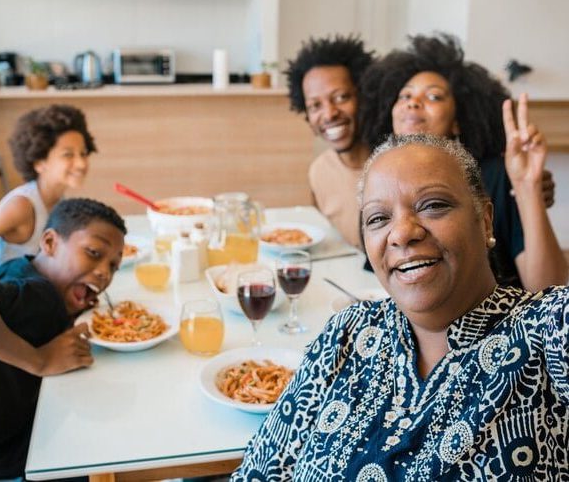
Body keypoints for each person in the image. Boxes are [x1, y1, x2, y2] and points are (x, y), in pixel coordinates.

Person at [231, 134, 568, 481]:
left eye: (433, 205)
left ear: (484, 221)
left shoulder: (545, 330)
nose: (402, 233)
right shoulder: (349, 332)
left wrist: (528, 192)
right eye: (378, 219)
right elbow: (262, 469)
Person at [360, 33, 565, 291]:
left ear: (458, 120)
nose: (413, 102)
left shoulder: (494, 176)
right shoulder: (378, 181)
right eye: (404, 96)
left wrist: (529, 187)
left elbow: (550, 291)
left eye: (433, 96)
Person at [0, 197, 125, 479]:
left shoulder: (23, 269)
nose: (104, 272)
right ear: (50, 242)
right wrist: (39, 360)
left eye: (114, 266)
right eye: (93, 252)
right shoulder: (39, 293)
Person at [0, 104, 97, 281]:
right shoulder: (21, 206)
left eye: (83, 154)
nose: (82, 163)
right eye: (68, 155)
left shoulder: (58, 201)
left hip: (15, 292)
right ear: (39, 162)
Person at [285, 35, 375, 248]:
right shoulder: (319, 172)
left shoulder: (397, 166)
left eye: (341, 97)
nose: (329, 114)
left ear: (363, 97)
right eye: (315, 105)